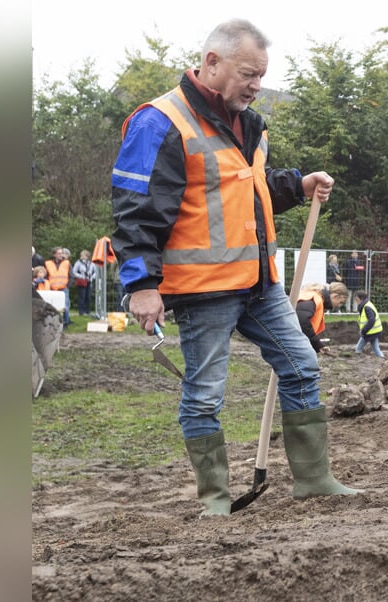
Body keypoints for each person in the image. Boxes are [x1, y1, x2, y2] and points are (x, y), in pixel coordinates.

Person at [110, 19, 360, 516]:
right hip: (203, 289)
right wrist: (141, 285)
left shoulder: (248, 123)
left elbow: (247, 187)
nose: (256, 85)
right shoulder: (161, 121)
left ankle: (313, 479)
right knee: (204, 396)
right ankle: (216, 501)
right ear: (212, 63)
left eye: (262, 76)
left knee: (302, 365)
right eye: (249, 73)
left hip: (257, 283)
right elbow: (135, 209)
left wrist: (297, 185)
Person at [296, 281, 348, 355]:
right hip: (291, 341)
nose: (338, 305)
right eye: (340, 302)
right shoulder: (315, 298)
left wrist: (318, 345)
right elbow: (302, 321)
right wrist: (316, 343)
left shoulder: (314, 298)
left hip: (293, 340)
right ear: (335, 296)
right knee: (308, 364)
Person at [44, 247, 71, 327]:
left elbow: (72, 276)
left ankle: (66, 323)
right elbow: (45, 276)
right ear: (54, 254)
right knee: (53, 306)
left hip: (63, 288)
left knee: (65, 306)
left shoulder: (67, 263)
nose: (61, 255)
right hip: (52, 289)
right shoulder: (47, 263)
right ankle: (53, 323)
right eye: (59, 253)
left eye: (61, 253)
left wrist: (67, 285)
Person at [353, 290, 385, 357]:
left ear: (361, 299)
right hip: (373, 331)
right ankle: (383, 359)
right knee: (376, 348)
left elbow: (371, 320)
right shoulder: (367, 304)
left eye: (357, 299)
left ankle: (358, 359)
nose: (356, 301)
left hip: (370, 332)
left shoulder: (367, 307)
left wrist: (364, 330)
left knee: (358, 348)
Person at [71, 250, 98, 316]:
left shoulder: (91, 263)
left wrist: (92, 277)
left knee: (88, 296)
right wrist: (81, 276)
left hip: (90, 281)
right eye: (81, 255)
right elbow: (74, 272)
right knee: (82, 296)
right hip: (82, 281)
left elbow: (96, 272)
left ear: (87, 256)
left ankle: (87, 311)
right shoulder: (78, 263)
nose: (82, 257)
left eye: (83, 255)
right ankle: (81, 311)